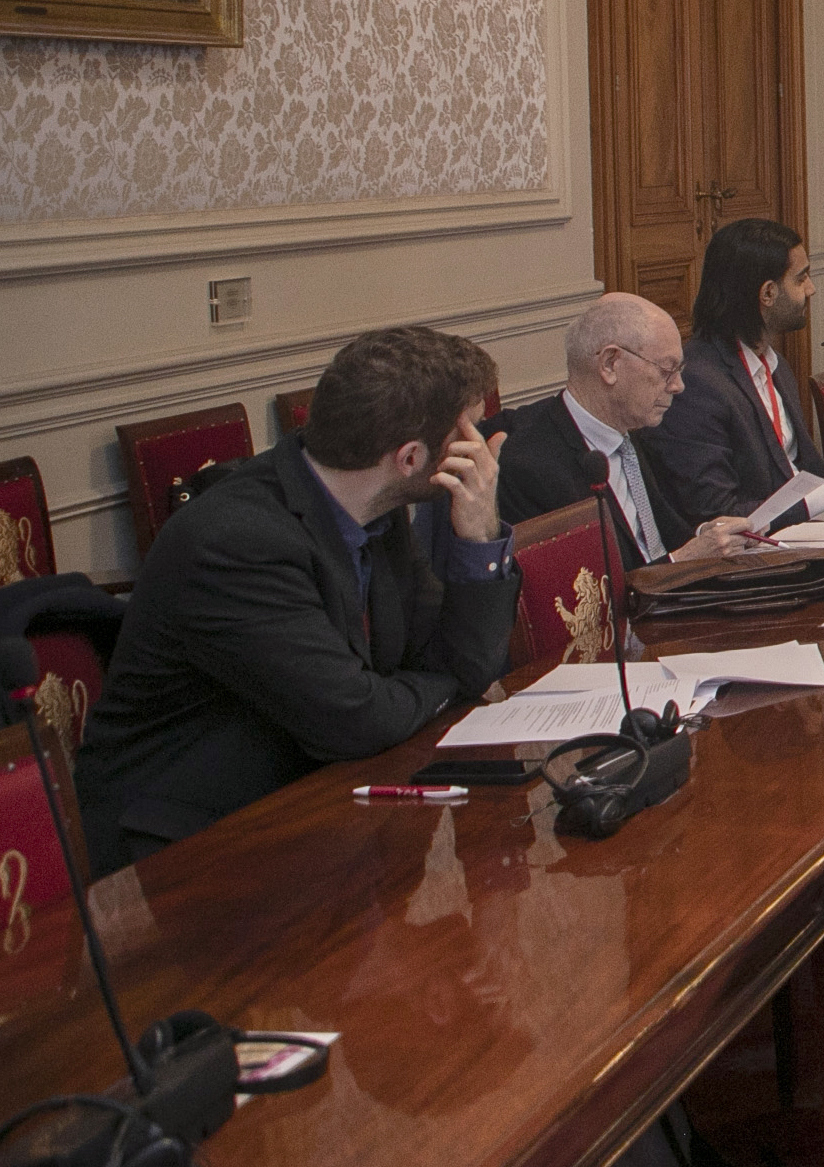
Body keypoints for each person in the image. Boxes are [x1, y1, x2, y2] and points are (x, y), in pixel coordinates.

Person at [73, 326, 517, 872]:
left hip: (319, 805)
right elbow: (355, 720)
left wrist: (476, 537)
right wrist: (439, 681)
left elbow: (465, 663)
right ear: (410, 458)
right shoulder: (235, 541)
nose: (482, 451)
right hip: (187, 849)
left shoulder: (376, 508)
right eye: (468, 434)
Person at [644, 217, 824, 526]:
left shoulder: (774, 363)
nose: (811, 289)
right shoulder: (697, 384)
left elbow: (797, 470)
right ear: (767, 293)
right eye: (801, 278)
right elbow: (716, 514)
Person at [492, 295, 754, 569]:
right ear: (609, 364)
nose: (678, 386)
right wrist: (683, 561)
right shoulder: (530, 468)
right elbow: (588, 595)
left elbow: (661, 534)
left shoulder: (633, 431)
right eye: (667, 370)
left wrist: (710, 538)